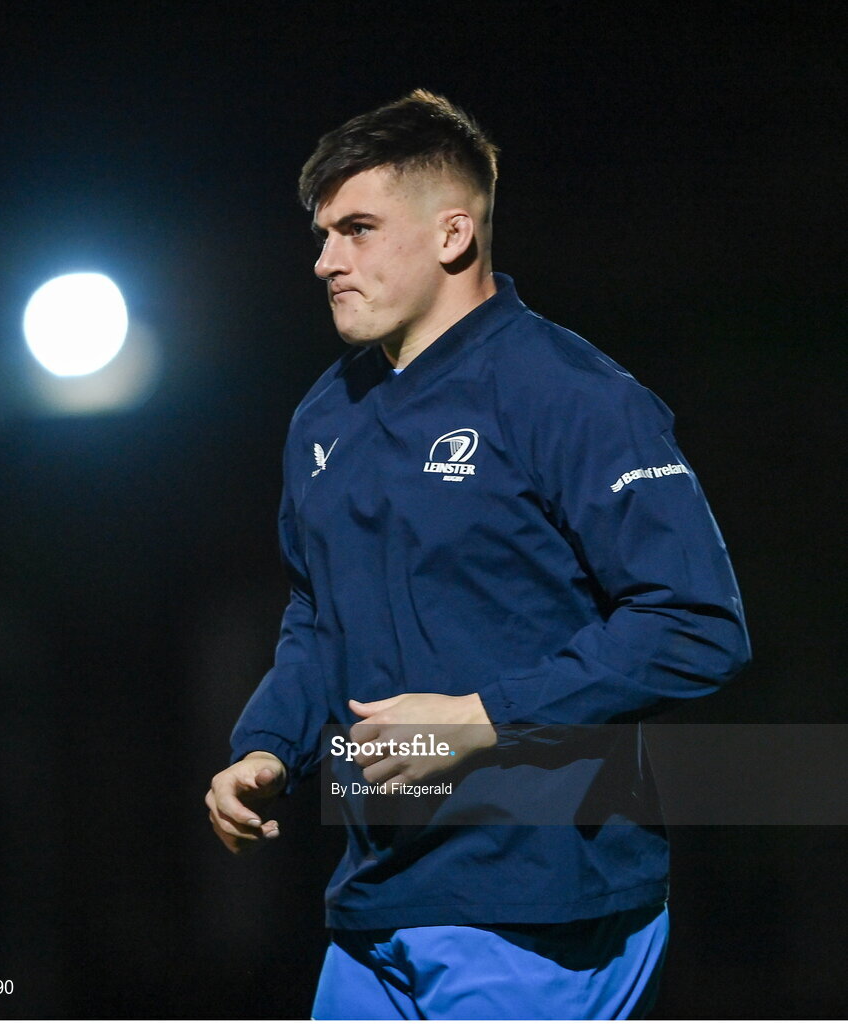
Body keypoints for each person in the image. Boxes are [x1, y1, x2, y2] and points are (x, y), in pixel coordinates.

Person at [205, 90, 750, 1020]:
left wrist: (485, 717)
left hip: (538, 905)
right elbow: (318, 616)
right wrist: (265, 744)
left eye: (358, 229)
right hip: (376, 903)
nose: (324, 259)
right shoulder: (323, 416)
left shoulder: (573, 395)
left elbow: (695, 625)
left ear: (453, 233)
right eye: (323, 231)